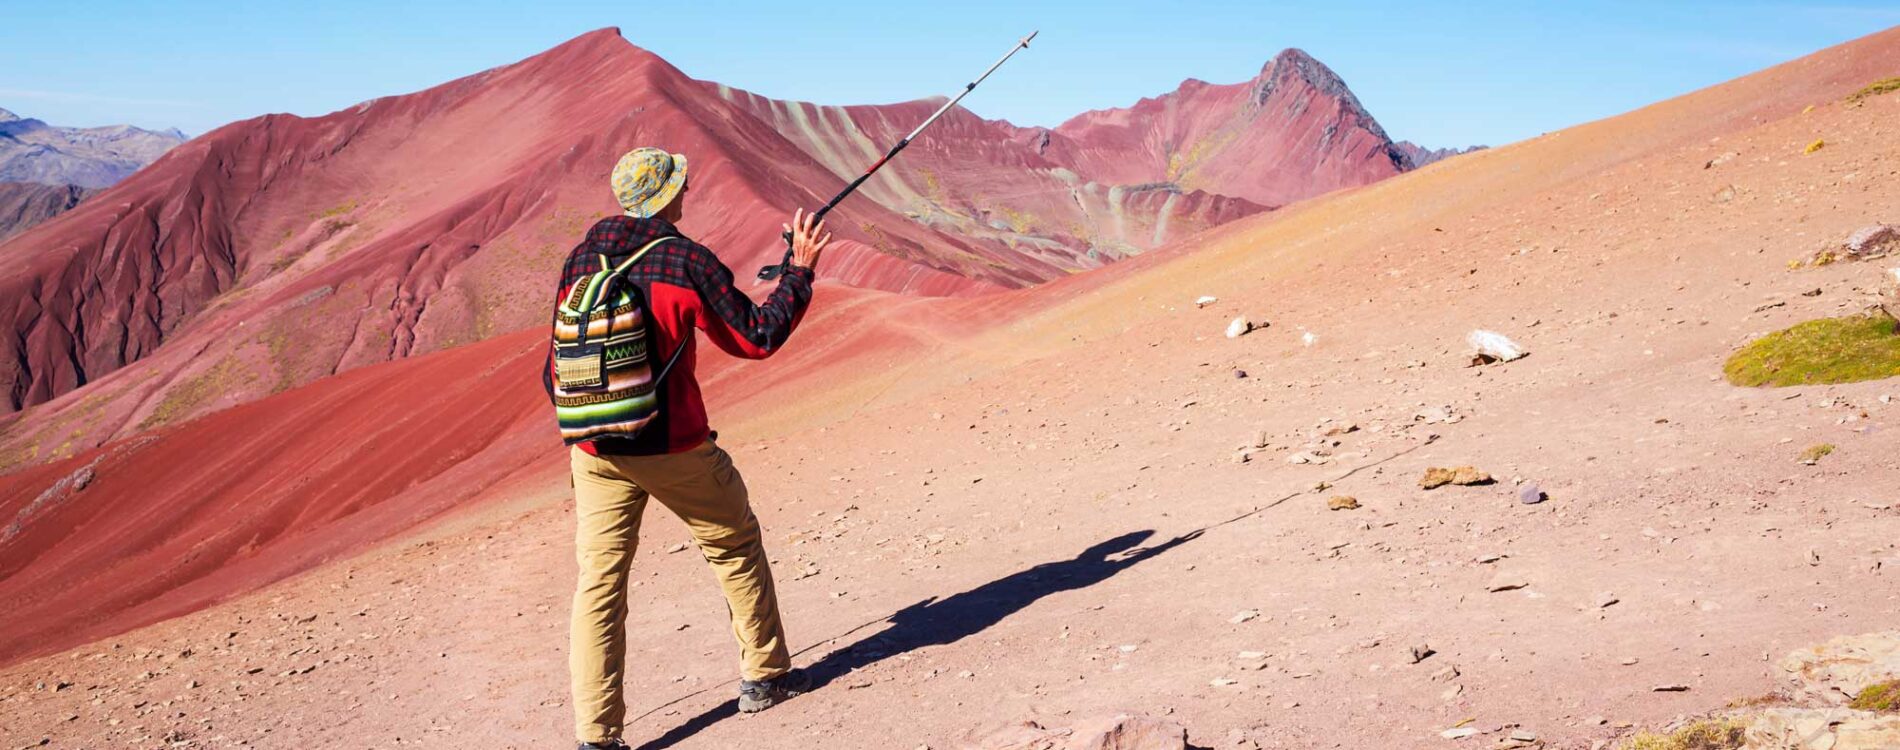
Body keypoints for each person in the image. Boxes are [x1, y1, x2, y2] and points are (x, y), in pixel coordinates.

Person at [546, 146, 831, 750]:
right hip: (673, 444)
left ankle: (596, 737)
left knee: (599, 586)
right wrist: (799, 271)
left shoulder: (581, 257)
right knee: (734, 545)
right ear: (666, 196)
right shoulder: (683, 259)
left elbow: (555, 369)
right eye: (680, 183)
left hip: (595, 451)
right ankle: (765, 677)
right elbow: (755, 338)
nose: (686, 189)